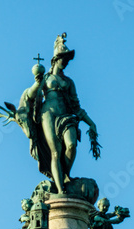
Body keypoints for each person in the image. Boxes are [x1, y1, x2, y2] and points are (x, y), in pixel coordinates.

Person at [24, 33, 100, 193]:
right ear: (55, 59)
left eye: (67, 59)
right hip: (48, 115)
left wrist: (91, 123)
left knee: (71, 146)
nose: (65, 62)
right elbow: (31, 95)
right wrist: (36, 84)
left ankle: (65, 175)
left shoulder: (69, 82)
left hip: (66, 116)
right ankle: (60, 189)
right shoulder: (45, 78)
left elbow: (76, 106)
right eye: (63, 59)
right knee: (55, 151)